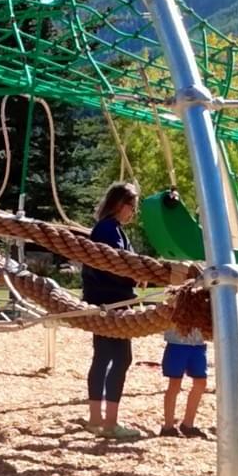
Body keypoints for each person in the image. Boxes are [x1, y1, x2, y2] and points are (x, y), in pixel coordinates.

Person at [82, 181, 143, 441]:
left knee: (102, 357)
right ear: (121, 204)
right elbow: (114, 266)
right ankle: (110, 422)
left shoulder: (108, 229)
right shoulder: (109, 231)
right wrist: (134, 277)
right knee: (120, 359)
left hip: (102, 301)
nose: (133, 212)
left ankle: (97, 418)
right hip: (112, 303)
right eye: (132, 206)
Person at [159, 325, 209, 438]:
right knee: (175, 384)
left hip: (198, 344)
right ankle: (168, 427)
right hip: (176, 344)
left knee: (201, 383)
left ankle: (188, 424)